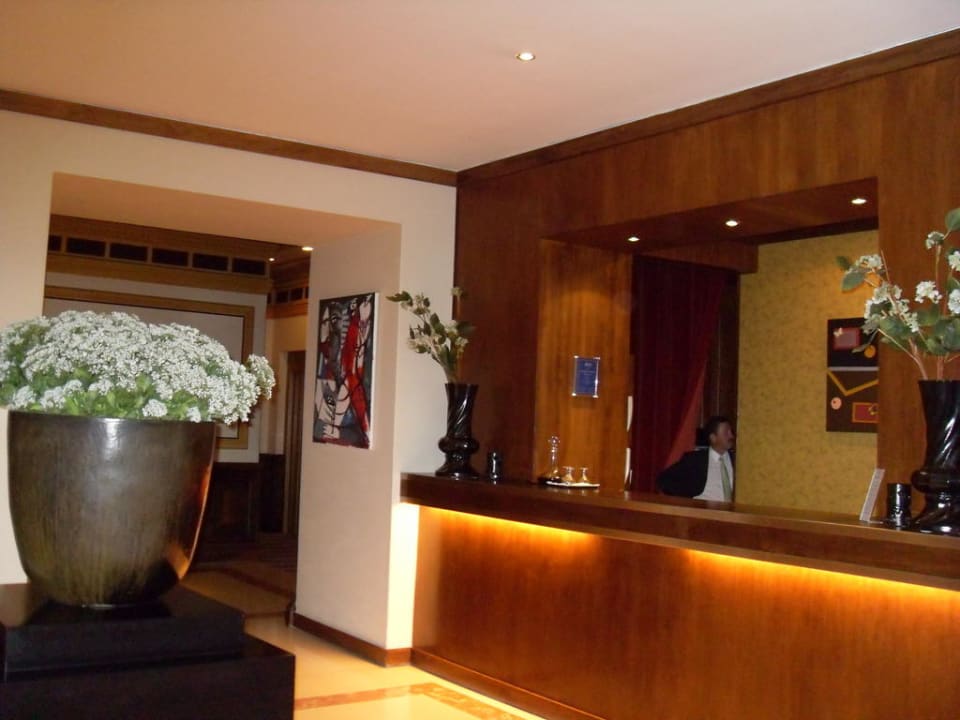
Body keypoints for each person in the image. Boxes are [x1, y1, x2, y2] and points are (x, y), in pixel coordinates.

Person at [656, 416, 736, 501]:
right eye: (726, 433)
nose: (731, 436)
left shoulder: (736, 460)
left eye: (731, 432)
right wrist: (683, 501)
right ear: (713, 438)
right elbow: (664, 480)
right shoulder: (695, 460)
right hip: (702, 508)